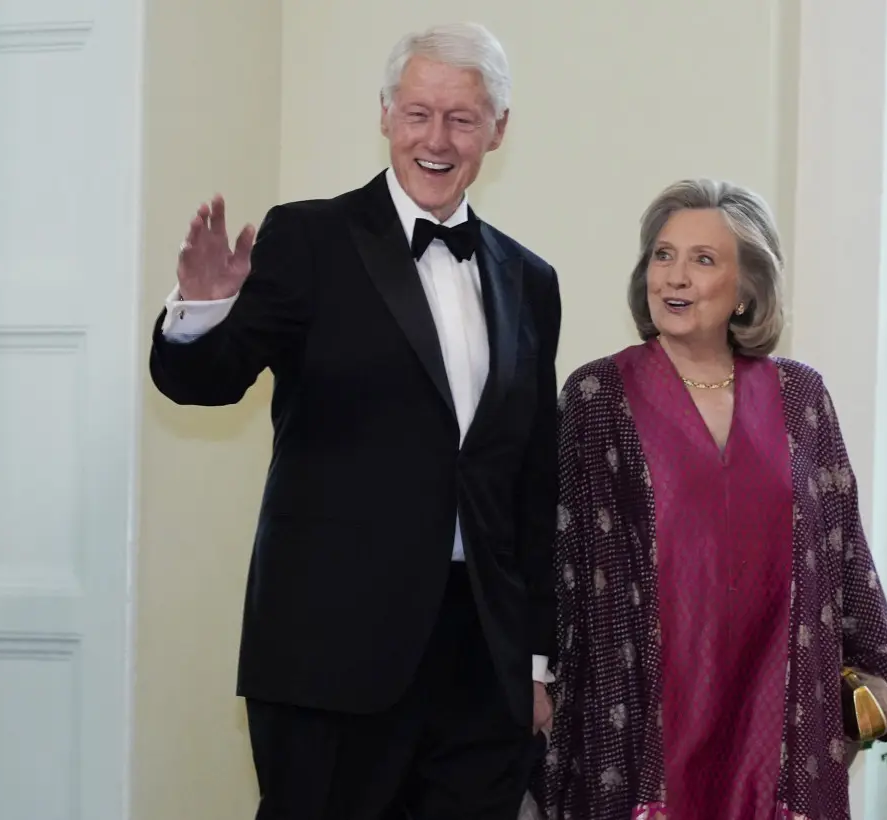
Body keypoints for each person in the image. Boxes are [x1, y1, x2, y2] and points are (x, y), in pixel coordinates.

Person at [148, 22, 561, 820]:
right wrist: (200, 312)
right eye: (416, 114)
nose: (434, 140)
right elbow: (205, 382)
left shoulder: (529, 278)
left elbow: (531, 482)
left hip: (481, 662)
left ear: (499, 129)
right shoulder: (308, 239)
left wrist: (536, 661)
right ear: (384, 115)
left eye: (461, 118)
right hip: (329, 661)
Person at [537, 179, 887, 820]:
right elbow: (561, 556)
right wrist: (536, 679)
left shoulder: (801, 398)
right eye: (663, 255)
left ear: (747, 289)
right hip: (643, 727)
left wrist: (873, 669)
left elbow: (841, 544)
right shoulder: (599, 396)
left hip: (776, 723)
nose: (674, 277)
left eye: (704, 260)